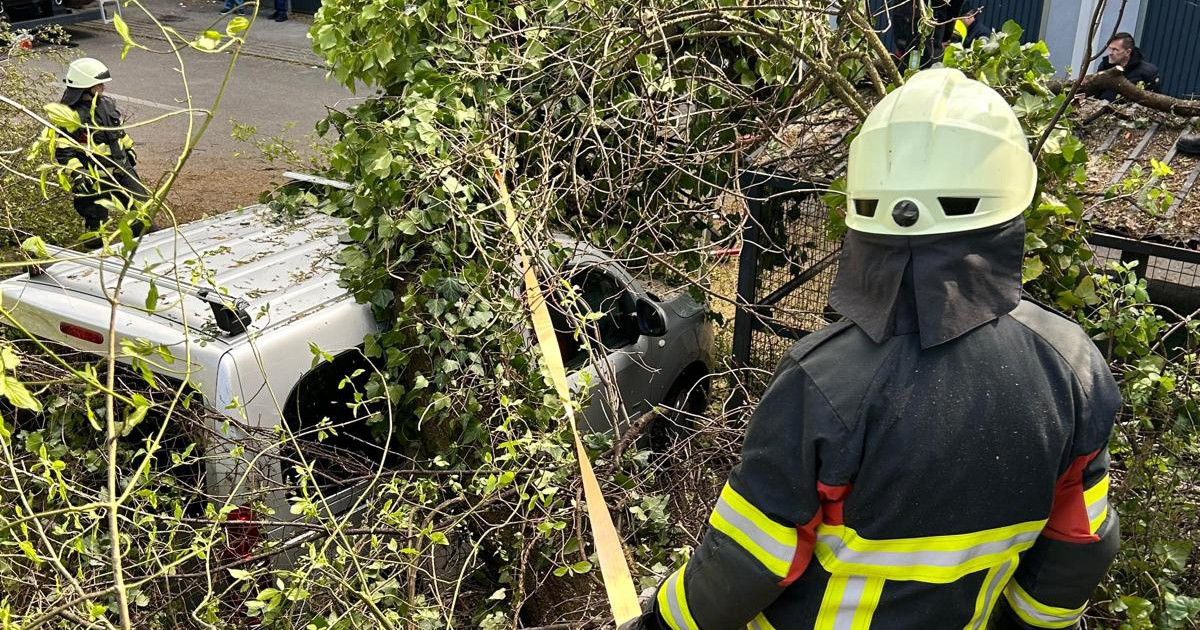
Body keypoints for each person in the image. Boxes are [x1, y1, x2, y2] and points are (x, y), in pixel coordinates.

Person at [620, 68, 1120, 630]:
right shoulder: (1074, 369)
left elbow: (749, 561)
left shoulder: (823, 379)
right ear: (1010, 205)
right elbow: (1078, 544)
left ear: (863, 206)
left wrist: (658, 624)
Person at [56, 58, 152, 248]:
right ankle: (96, 259)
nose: (103, 88)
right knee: (95, 222)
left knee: (142, 211)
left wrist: (129, 149)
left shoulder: (106, 105)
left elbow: (118, 133)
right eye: (99, 84)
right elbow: (64, 151)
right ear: (86, 87)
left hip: (121, 170)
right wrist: (78, 175)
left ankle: (144, 249)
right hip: (94, 178)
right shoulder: (69, 116)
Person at [1094, 32, 1160, 101]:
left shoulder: (1148, 72)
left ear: (1128, 52)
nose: (1110, 53)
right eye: (1110, 48)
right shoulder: (1105, 65)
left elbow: (1153, 101)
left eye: (1115, 50)